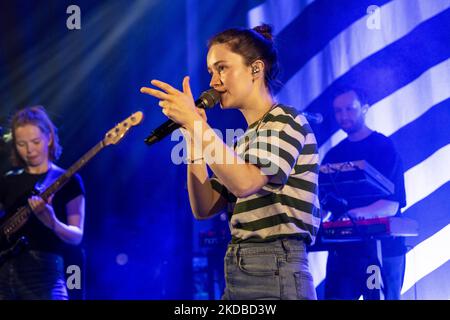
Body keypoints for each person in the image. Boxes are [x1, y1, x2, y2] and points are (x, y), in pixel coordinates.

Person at [141, 24, 320, 300]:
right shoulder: (243, 143)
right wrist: (193, 137)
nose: (213, 82)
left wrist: (197, 125)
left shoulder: (285, 120)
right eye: (211, 71)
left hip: (275, 268)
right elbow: (204, 207)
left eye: (222, 68)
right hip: (237, 267)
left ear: (255, 69)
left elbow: (245, 182)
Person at [321, 88, 407, 300]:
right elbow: (323, 204)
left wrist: (353, 215)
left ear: (365, 108)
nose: (344, 115)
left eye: (350, 109)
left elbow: (392, 204)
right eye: (338, 111)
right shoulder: (333, 155)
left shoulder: (384, 147)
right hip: (344, 249)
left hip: (382, 247)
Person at [0, 106, 85, 300]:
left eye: (35, 141)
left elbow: (76, 236)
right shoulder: (7, 180)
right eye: (21, 144)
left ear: (50, 138)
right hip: (4, 277)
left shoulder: (68, 180)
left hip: (45, 277)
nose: (29, 150)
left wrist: (52, 222)